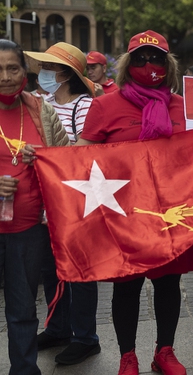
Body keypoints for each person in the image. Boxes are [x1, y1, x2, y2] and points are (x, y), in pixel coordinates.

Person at [75, 30, 193, 375]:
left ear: (167, 64)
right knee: (126, 286)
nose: (148, 64)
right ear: (128, 63)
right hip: (123, 214)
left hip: (170, 214)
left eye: (156, 58)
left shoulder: (182, 106)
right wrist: (43, 158)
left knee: (169, 283)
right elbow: (81, 155)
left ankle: (165, 351)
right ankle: (128, 356)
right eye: (140, 58)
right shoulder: (105, 105)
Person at [25, 42, 102, 366]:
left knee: (81, 272)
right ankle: (58, 328)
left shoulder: (84, 106)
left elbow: (82, 153)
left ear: (64, 73)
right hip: (41, 201)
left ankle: (85, 337)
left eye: (49, 67)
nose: (43, 73)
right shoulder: (37, 103)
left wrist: (46, 154)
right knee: (50, 269)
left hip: (74, 201)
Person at [0, 39, 69, 375]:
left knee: (23, 307)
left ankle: (25, 369)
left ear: (24, 72)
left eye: (13, 68)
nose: (6, 76)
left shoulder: (41, 110)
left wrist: (45, 159)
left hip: (27, 230)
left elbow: (68, 161)